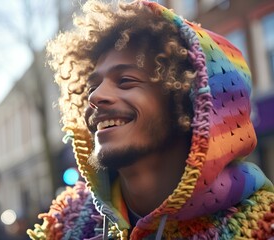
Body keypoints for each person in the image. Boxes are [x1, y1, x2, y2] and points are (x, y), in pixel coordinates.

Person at [27, 0, 274, 239]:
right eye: (92, 86)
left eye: (125, 81)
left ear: (188, 101)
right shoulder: (62, 226)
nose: (96, 96)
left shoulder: (264, 226)